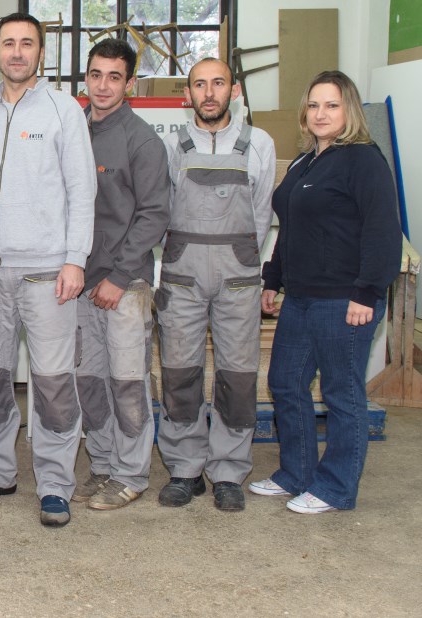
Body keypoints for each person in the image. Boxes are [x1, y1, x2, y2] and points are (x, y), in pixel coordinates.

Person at [0, 12, 96, 527]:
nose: (17, 52)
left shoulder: (64, 110)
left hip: (46, 274)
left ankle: (55, 484)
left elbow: (82, 190)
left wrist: (75, 259)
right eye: (8, 43)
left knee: (53, 383)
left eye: (27, 43)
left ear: (40, 52)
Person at [252, 71, 400, 514]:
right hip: (300, 297)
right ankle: (296, 474)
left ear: (349, 110)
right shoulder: (305, 162)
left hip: (344, 298)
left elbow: (382, 231)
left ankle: (335, 488)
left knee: (341, 393)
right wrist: (273, 279)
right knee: (285, 382)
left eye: (332, 105)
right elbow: (291, 227)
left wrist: (367, 292)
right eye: (314, 105)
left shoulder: (363, 160)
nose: (321, 114)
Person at [155, 58, 276, 512]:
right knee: (179, 373)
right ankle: (185, 469)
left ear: (234, 90)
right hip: (182, 275)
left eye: (218, 83)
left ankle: (228, 471)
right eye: (200, 84)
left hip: (238, 278)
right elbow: (162, 209)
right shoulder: (173, 145)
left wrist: (239, 257)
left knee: (238, 377)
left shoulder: (259, 143)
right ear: (188, 94)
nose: (209, 93)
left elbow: (261, 213)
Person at [72, 38, 170, 510]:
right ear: (85, 78)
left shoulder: (141, 140)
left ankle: (131, 474)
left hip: (123, 285)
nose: (103, 85)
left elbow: (154, 215)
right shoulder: (73, 130)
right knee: (90, 381)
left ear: (129, 83)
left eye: (114, 77)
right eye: (96, 75)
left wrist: (119, 275)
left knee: (127, 383)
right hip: (79, 282)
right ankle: (104, 463)